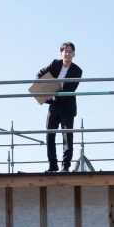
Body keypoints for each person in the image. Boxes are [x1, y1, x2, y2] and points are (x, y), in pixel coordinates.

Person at [36, 42, 83, 172]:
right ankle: (53, 165)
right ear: (61, 53)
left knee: (67, 136)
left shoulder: (77, 70)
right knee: (49, 135)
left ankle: (65, 166)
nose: (67, 54)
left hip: (67, 106)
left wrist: (52, 95)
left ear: (74, 54)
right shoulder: (55, 63)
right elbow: (39, 74)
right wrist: (44, 89)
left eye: (70, 51)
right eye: (65, 51)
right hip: (53, 106)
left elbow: (70, 90)